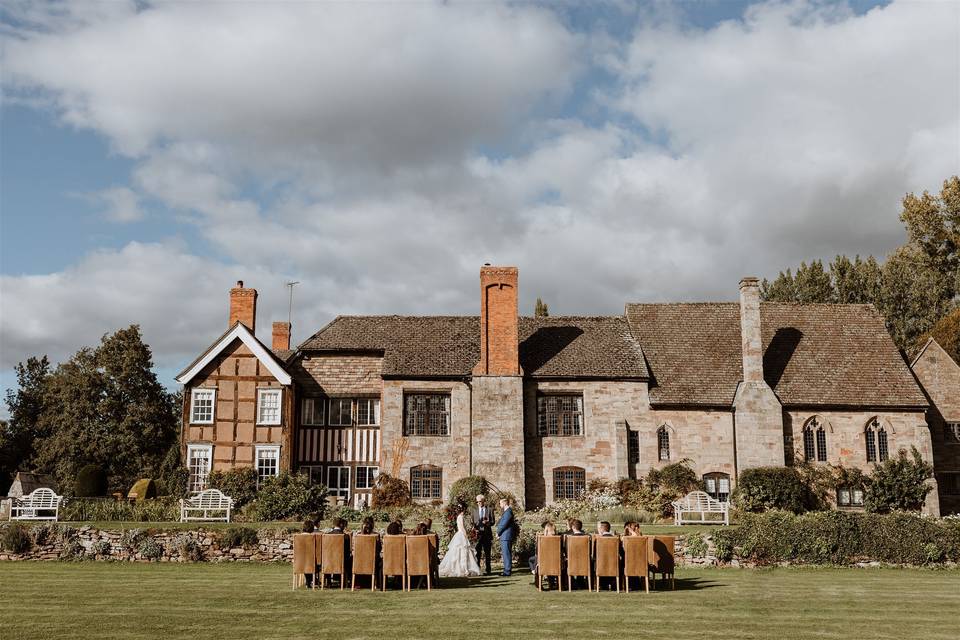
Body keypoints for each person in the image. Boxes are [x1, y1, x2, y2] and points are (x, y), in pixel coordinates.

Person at [438, 501, 481, 577]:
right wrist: (466, 536)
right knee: (461, 551)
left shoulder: (460, 516)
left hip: (459, 535)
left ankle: (464, 568)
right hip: (461, 535)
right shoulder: (460, 517)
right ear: (464, 509)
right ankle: (463, 569)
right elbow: (462, 528)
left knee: (463, 552)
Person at [528, 521, 558, 589]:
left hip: (543, 562)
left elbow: (538, 552)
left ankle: (538, 583)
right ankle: (553, 583)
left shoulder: (542, 540)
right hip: (555, 562)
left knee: (537, 561)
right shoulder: (558, 539)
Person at [470, 494, 494, 575]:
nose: (478, 503)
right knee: (478, 553)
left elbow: (493, 522)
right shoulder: (474, 510)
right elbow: (472, 522)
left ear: (484, 501)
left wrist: (487, 523)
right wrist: (474, 528)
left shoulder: (489, 509)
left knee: (487, 553)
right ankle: (478, 570)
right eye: (477, 502)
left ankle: (488, 570)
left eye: (480, 501)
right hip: (478, 535)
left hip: (487, 534)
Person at [496, 497, 517, 576]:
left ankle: (507, 571)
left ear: (504, 503)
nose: (500, 505)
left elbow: (504, 524)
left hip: (506, 536)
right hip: (505, 536)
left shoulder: (508, 512)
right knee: (505, 553)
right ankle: (506, 570)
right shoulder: (507, 512)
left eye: (500, 503)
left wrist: (498, 532)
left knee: (506, 554)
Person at [302, 519, 317, 588]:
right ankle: (312, 580)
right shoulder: (312, 537)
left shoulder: (297, 537)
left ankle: (309, 581)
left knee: (306, 561)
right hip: (311, 562)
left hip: (300, 561)